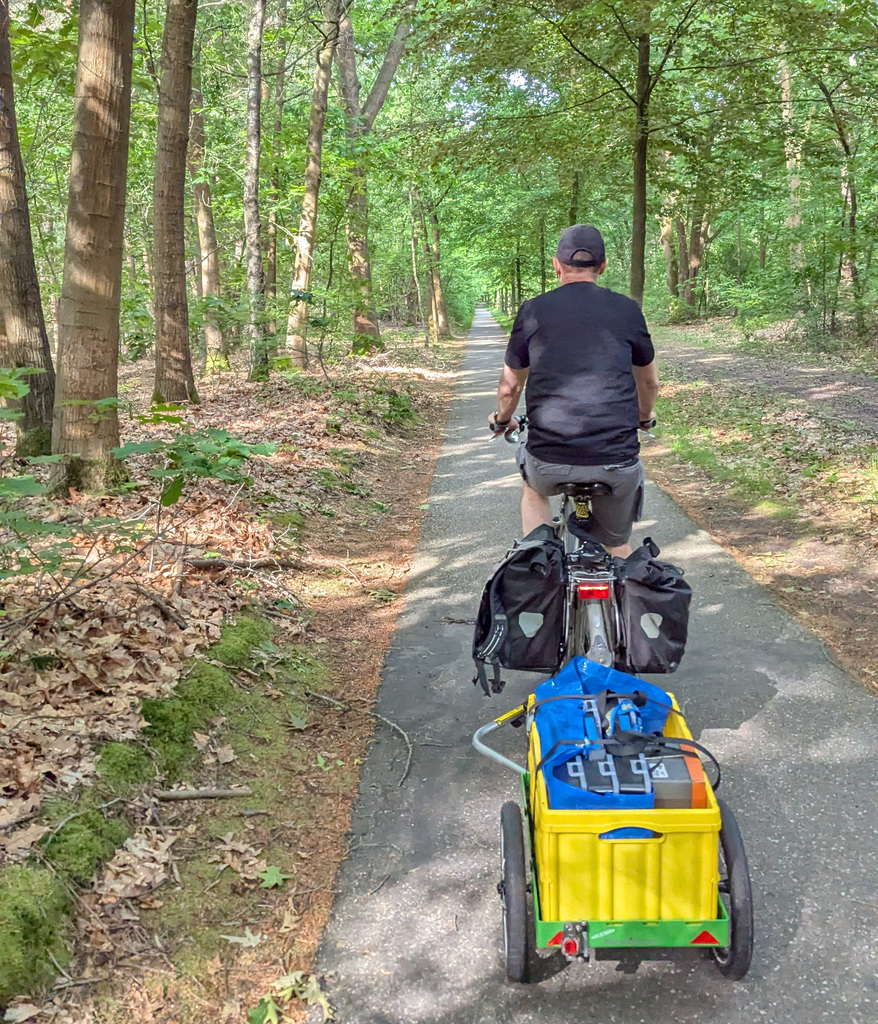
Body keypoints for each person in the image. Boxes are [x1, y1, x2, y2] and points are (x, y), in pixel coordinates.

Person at [488, 224, 659, 557]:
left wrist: (501, 420)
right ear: (604, 266)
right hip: (616, 461)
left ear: (557, 265)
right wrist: (643, 417)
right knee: (617, 545)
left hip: (549, 460)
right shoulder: (627, 310)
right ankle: (621, 595)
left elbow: (510, 387)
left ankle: (539, 555)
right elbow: (649, 382)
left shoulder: (533, 311)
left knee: (531, 481)